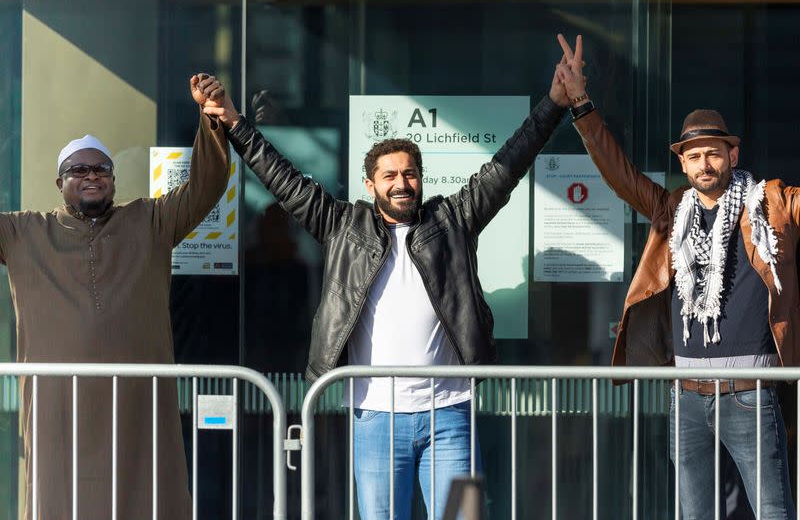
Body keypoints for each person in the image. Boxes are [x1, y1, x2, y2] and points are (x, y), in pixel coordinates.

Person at [202, 54, 574, 518]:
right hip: (374, 417)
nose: (402, 183)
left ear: (421, 179)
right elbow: (283, 180)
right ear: (370, 184)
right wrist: (236, 122)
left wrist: (555, 103)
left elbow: (508, 164)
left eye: (410, 173)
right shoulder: (342, 226)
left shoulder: (453, 220)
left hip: (449, 415)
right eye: (390, 175)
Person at [555, 34, 797, 518]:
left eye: (713, 153)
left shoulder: (771, 204)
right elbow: (619, 175)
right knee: (693, 513)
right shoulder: (671, 209)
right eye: (693, 156)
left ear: (732, 155)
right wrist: (580, 103)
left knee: (772, 511)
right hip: (685, 396)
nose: (704, 164)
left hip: (750, 394)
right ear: (682, 163)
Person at [15, 73, 230, 519]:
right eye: (79, 169)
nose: (91, 176)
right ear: (60, 182)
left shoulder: (150, 222)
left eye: (101, 169)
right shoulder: (24, 231)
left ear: (113, 179)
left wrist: (211, 118)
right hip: (60, 406)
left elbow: (205, 188)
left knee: (145, 497)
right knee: (59, 499)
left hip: (138, 401)